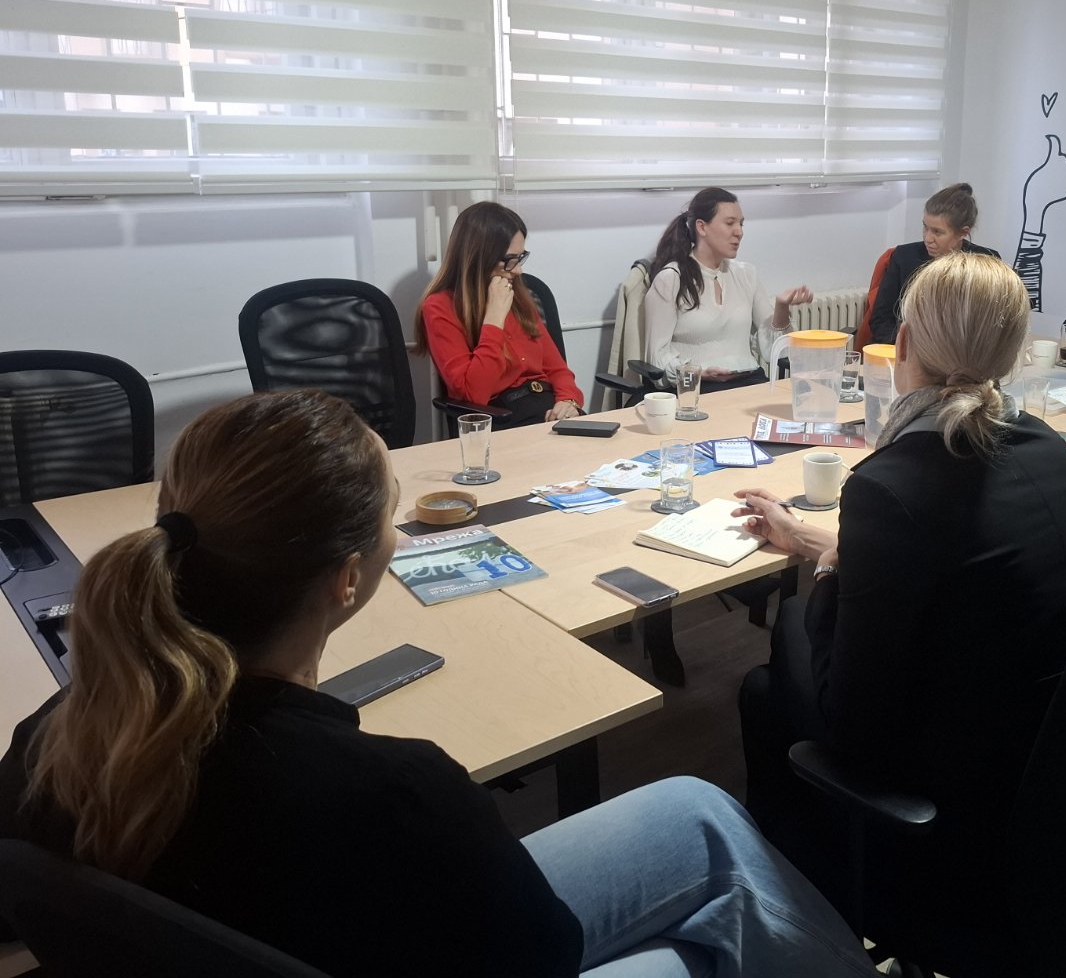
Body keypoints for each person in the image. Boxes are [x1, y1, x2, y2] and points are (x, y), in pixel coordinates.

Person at [0, 390, 876, 978]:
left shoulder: (58, 737)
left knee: (698, 809)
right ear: (349, 579)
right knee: (720, 928)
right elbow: (544, 955)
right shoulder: (398, 792)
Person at [735, 253, 1066, 965]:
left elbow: (853, 718)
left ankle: (794, 908)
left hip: (952, 790)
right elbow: (953, 554)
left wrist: (830, 567)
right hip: (1045, 752)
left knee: (772, 666)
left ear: (901, 346)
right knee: (774, 673)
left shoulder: (890, 483)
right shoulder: (1047, 446)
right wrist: (824, 541)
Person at [414, 201, 583, 425]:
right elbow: (473, 394)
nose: (518, 270)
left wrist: (569, 401)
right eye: (511, 260)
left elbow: (558, 369)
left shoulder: (519, 294)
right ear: (480, 258)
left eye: (521, 257)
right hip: (501, 416)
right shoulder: (440, 307)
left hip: (547, 405)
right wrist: (494, 319)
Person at [642, 187, 812, 393]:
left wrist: (782, 308)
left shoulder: (746, 274)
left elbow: (774, 351)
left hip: (749, 381)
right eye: (730, 223)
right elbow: (657, 358)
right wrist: (697, 373)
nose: (739, 232)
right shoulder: (671, 279)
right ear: (702, 227)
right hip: (697, 387)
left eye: (741, 224)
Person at [866, 182, 1000, 344]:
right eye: (926, 228)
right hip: (909, 349)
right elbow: (881, 320)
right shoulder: (904, 257)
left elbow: (996, 322)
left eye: (938, 232)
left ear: (963, 232)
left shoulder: (986, 262)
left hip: (964, 351)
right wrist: (908, 347)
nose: (928, 238)